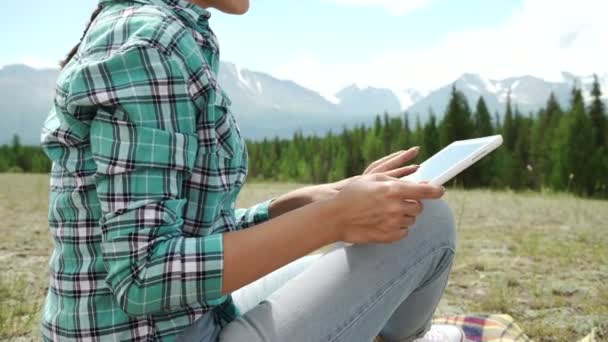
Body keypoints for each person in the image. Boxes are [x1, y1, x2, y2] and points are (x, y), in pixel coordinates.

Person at [40, 0, 463, 341]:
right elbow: (141, 276)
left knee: (371, 239)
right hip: (161, 332)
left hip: (184, 319)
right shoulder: (153, 43)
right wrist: (333, 220)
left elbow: (182, 234)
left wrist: (304, 203)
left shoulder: (150, 28)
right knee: (426, 220)